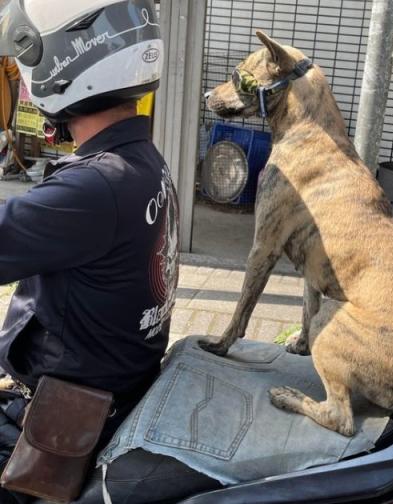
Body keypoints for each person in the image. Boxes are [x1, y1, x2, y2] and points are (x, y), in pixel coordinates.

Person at [0, 0, 176, 497]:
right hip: (109, 394)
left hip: (54, 426)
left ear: (64, 62)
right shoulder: (141, 161)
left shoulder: (94, 189)